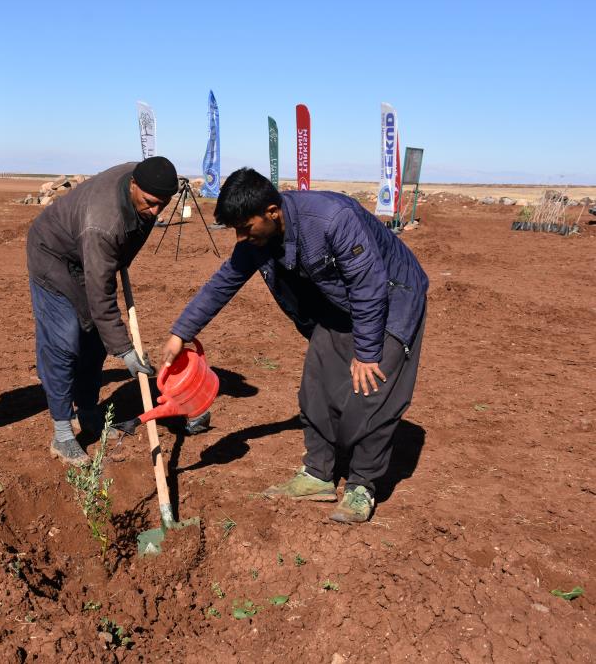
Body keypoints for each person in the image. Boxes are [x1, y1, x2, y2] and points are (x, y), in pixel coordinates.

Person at [162, 168, 428, 523]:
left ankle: (362, 485)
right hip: (339, 306)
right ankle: (318, 475)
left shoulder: (333, 219)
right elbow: (223, 282)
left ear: (272, 212)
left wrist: (366, 353)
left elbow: (369, 286)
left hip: (393, 299)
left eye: (245, 227)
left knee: (371, 395)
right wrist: (182, 332)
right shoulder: (258, 240)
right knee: (316, 387)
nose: (241, 236)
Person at [28, 158, 179, 465]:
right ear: (133, 185)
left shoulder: (147, 188)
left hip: (88, 254)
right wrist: (124, 351)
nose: (155, 211)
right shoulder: (103, 223)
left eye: (162, 205)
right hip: (53, 254)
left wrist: (120, 258)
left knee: (94, 342)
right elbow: (102, 295)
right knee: (65, 341)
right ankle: (62, 434)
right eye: (150, 203)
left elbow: (119, 253)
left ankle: (88, 414)